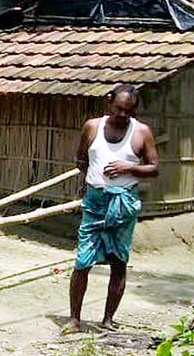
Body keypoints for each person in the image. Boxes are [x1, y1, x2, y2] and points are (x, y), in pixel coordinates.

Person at [66, 83, 159, 334]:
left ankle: (107, 319)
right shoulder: (92, 127)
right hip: (95, 202)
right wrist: (88, 182)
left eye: (128, 112)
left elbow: (154, 168)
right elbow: (81, 159)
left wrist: (128, 168)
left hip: (124, 201)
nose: (122, 116)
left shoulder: (141, 132)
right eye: (118, 109)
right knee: (83, 261)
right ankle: (74, 319)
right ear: (109, 101)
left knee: (119, 261)